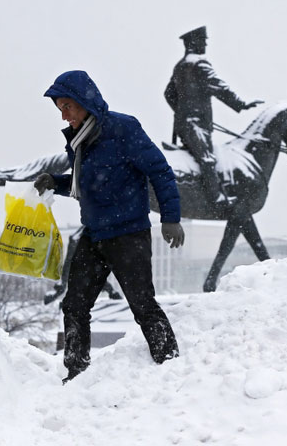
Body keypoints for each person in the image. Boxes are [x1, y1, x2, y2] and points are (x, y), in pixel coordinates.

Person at [33, 70, 185, 383]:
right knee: (74, 304)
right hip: (94, 235)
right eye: (59, 109)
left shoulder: (123, 129)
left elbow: (160, 171)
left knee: (142, 304)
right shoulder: (78, 141)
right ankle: (76, 373)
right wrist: (55, 183)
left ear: (83, 101)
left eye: (67, 107)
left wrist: (171, 217)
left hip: (129, 234)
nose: (64, 116)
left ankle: (170, 367)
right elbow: (83, 184)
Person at [164, 26, 263, 206]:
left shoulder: (180, 66)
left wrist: (181, 111)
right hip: (195, 124)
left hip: (187, 123)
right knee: (208, 159)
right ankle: (216, 198)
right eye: (203, 40)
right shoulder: (199, 64)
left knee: (202, 158)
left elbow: (168, 94)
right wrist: (241, 104)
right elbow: (219, 87)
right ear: (194, 42)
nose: (206, 44)